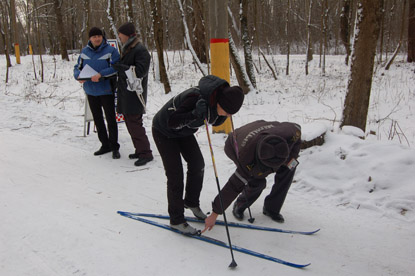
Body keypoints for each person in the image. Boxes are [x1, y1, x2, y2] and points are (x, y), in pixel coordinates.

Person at [152, 75, 244, 235]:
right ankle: (176, 220)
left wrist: (216, 116)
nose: (228, 116)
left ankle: (191, 202)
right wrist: (194, 114)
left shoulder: (219, 103)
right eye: (228, 112)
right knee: (175, 176)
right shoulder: (194, 98)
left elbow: (215, 119)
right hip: (164, 131)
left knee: (198, 165)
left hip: (184, 132)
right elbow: (172, 122)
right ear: (220, 103)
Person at [203, 120, 301, 233]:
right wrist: (215, 214)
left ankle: (271, 208)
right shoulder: (246, 158)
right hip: (234, 143)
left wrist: (291, 158)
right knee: (257, 182)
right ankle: (240, 204)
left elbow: (297, 142)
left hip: (262, 128)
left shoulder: (291, 133)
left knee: (290, 168)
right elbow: (232, 187)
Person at [74, 27, 121, 159]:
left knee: (111, 119)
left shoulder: (111, 51)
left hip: (106, 90)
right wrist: (78, 76)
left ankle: (114, 146)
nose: (97, 38)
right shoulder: (84, 52)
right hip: (90, 91)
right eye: (94, 36)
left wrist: (101, 75)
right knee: (98, 119)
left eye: (99, 36)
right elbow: (77, 67)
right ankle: (104, 144)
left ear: (102, 37)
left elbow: (117, 67)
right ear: (90, 39)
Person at [114, 22, 153, 166]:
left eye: (120, 34)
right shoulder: (129, 48)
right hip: (127, 92)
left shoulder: (140, 49)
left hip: (135, 93)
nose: (119, 37)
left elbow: (141, 71)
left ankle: (146, 153)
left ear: (127, 35)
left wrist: (123, 68)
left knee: (135, 123)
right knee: (130, 123)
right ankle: (140, 150)